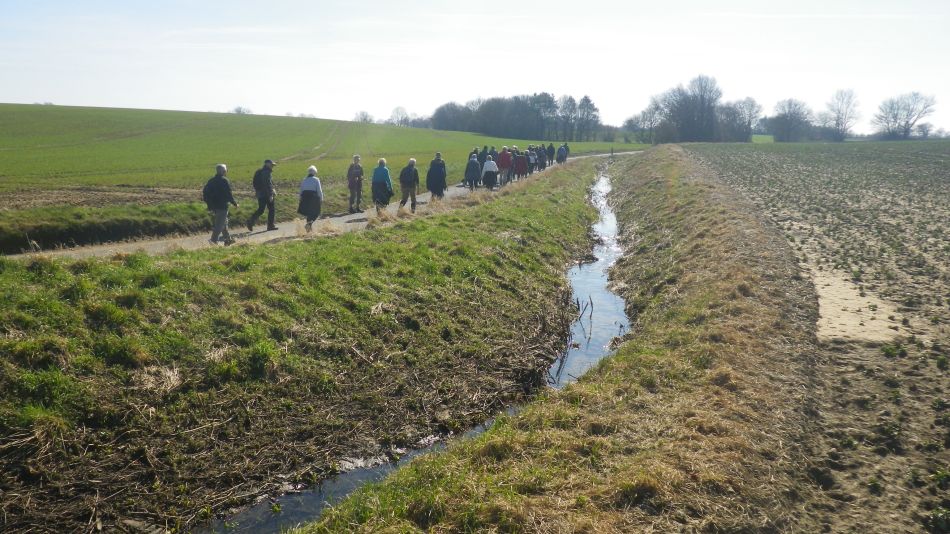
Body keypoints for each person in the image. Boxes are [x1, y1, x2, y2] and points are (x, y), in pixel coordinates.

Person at [202, 163, 238, 246]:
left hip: (214, 206)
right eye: (226, 170)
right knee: (219, 225)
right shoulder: (224, 180)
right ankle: (213, 242)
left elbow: (205, 193)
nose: (226, 171)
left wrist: (209, 205)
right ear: (224, 171)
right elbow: (229, 194)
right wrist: (234, 203)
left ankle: (228, 240)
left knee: (223, 222)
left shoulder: (211, 181)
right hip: (222, 206)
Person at [247, 159, 278, 231]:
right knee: (272, 209)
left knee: (261, 209)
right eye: (271, 165)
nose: (272, 166)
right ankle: (270, 226)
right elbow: (268, 184)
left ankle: (250, 221)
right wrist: (270, 194)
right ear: (267, 164)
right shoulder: (266, 172)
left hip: (260, 194)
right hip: (266, 194)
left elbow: (256, 183)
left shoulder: (259, 171)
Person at [298, 165, 324, 232]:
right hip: (313, 198)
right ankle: (309, 225)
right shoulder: (316, 179)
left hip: (305, 197)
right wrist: (321, 199)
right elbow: (319, 190)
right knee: (316, 213)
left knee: (309, 214)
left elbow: (301, 190)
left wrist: (300, 198)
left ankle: (309, 229)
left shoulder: (304, 180)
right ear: (315, 172)